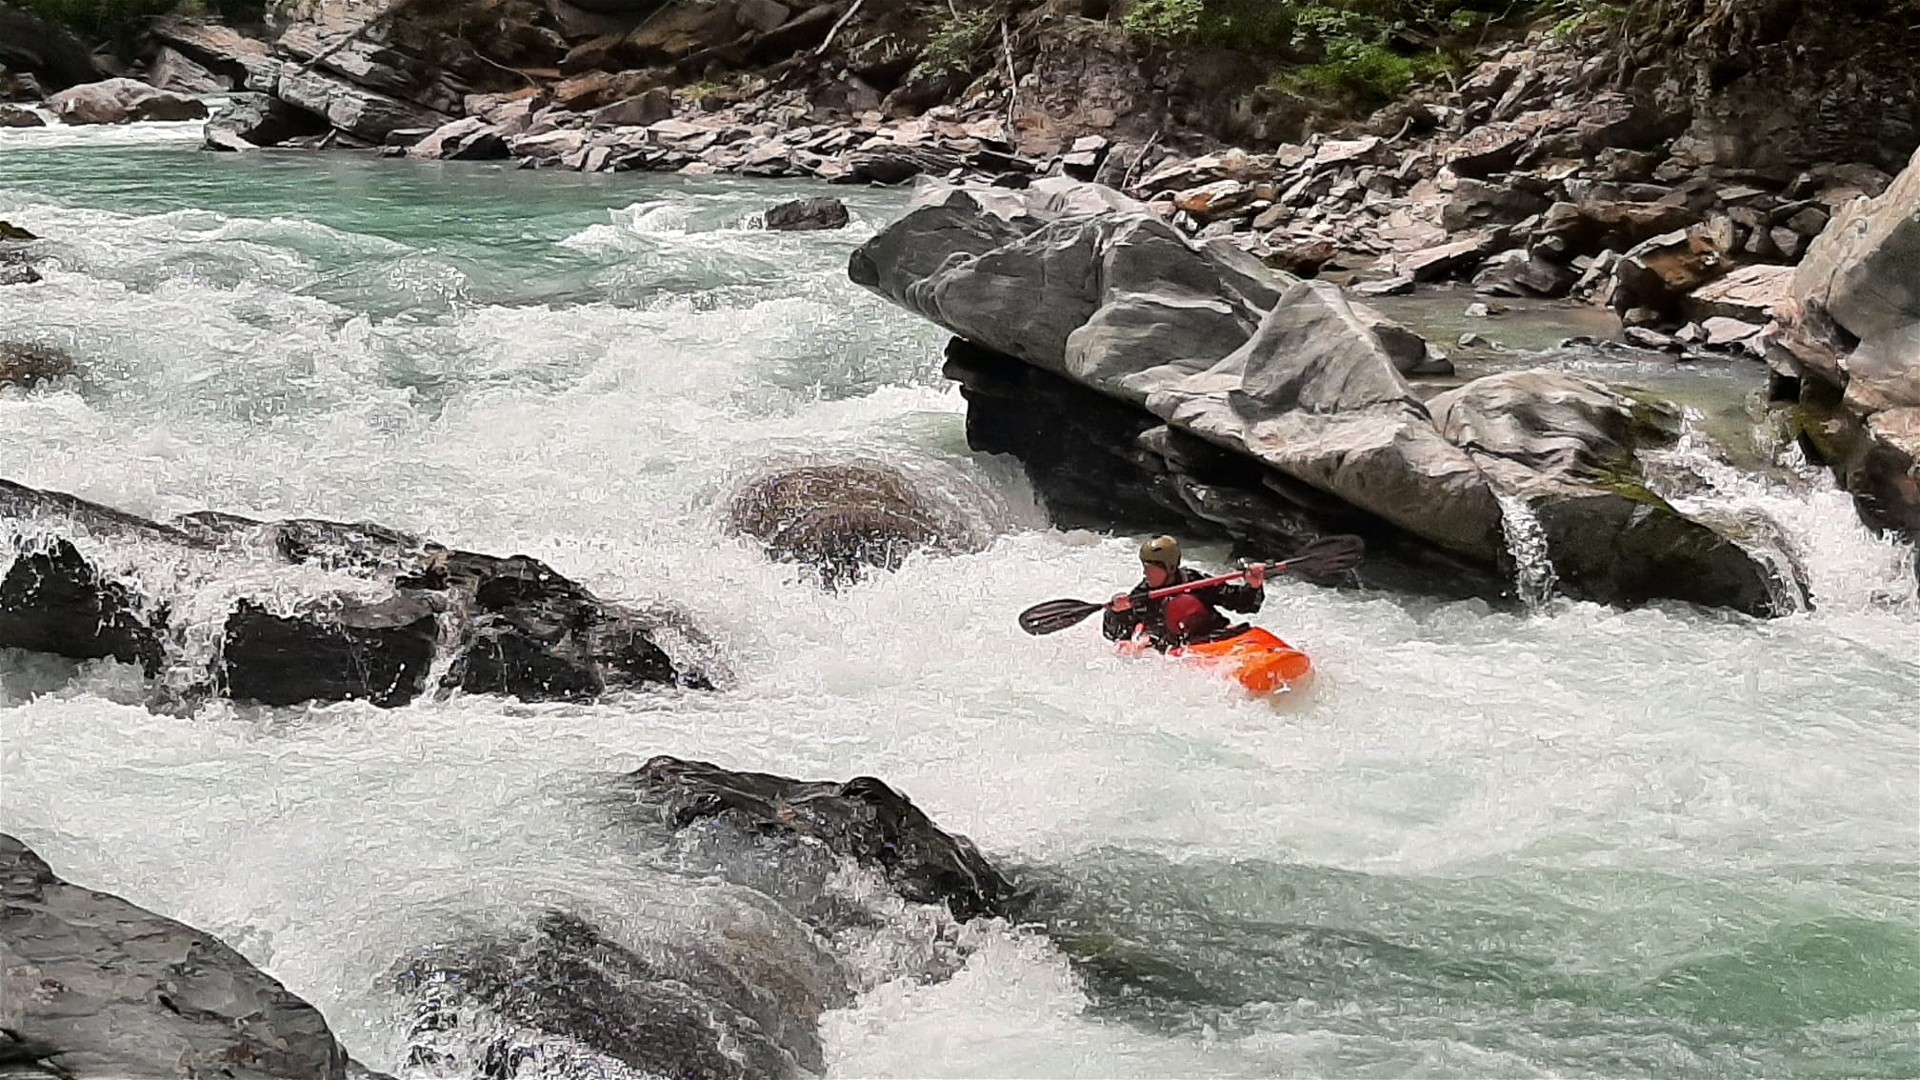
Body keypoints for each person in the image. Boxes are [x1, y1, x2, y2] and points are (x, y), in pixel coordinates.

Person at [1103, 535, 1265, 650]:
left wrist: (1253, 586)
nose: (1146, 573)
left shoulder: (1195, 581)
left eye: (1151, 568)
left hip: (1217, 636)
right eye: (1145, 567)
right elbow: (1114, 634)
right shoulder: (1142, 596)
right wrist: (1116, 612)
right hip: (1182, 649)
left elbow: (1245, 604)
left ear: (1170, 567)